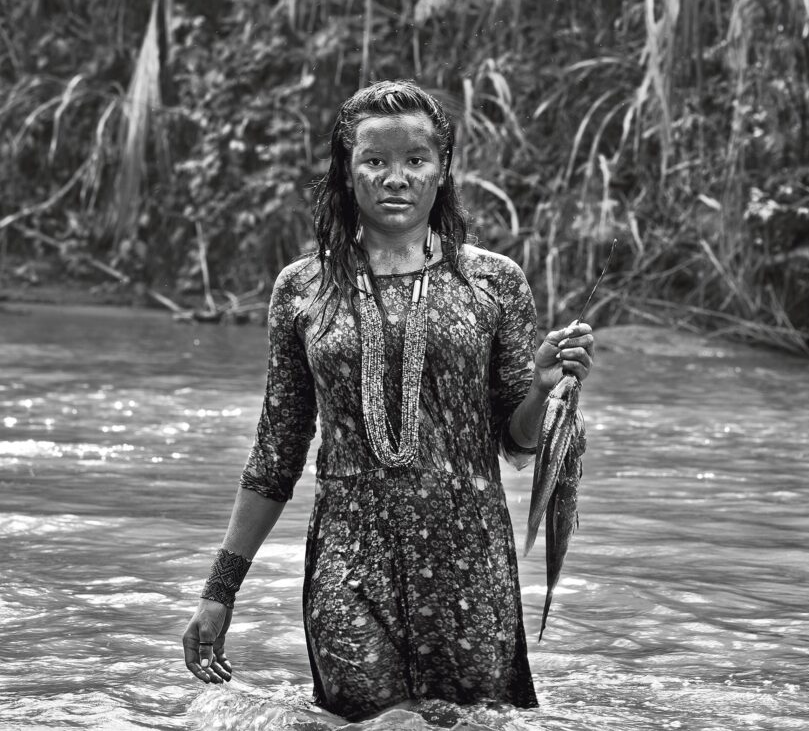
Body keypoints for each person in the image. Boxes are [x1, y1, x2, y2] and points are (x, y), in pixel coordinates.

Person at [180, 80, 596, 721]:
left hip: (469, 568)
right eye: (375, 161)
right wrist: (219, 589)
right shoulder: (302, 289)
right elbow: (277, 452)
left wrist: (541, 385)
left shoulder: (492, 282)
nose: (395, 178)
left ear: (442, 168)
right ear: (347, 173)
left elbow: (520, 442)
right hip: (349, 564)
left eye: (415, 161)